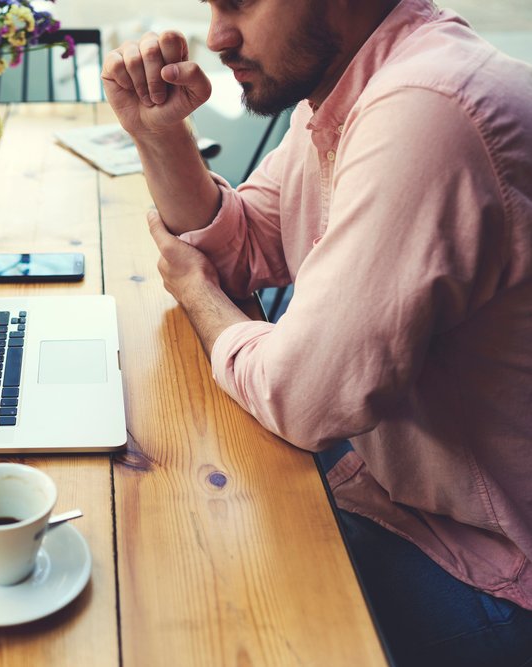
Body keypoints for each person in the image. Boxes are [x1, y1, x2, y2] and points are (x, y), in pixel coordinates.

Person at [101, 0, 532, 664]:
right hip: (394, 483)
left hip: (488, 565)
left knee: (181, 610)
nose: (216, 37)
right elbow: (243, 248)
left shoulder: (428, 112)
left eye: (241, 3)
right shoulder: (346, 89)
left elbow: (302, 400)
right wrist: (159, 135)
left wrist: (193, 291)